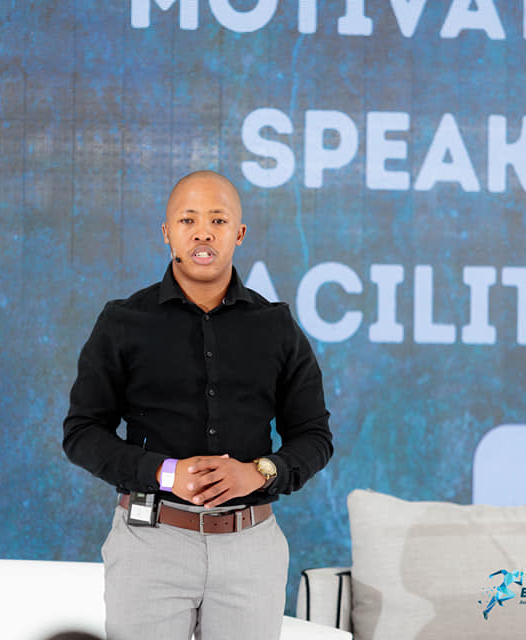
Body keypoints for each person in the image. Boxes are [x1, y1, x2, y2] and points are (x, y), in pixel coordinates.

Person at [63, 170, 334, 639]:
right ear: (167, 232)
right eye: (188, 220)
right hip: (151, 545)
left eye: (218, 220)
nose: (203, 232)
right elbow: (82, 433)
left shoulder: (276, 327)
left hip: (250, 548)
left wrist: (259, 472)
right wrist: (166, 472)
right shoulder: (123, 322)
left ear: (239, 233)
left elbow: (314, 436)